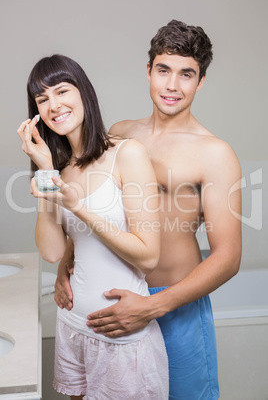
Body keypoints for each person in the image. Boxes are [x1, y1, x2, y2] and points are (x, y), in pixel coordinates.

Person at [55, 20, 242, 399]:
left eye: (186, 74)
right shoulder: (121, 134)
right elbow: (90, 207)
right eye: (164, 70)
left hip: (176, 305)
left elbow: (228, 257)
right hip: (117, 301)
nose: (172, 85)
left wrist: (152, 306)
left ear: (200, 81)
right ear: (148, 71)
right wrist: (66, 264)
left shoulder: (214, 153)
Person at [17, 54, 169, 400]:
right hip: (73, 328)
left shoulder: (127, 154)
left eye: (61, 91)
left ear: (83, 91)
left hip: (121, 339)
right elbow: (52, 250)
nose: (53, 105)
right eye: (42, 99)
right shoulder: (60, 168)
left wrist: (79, 208)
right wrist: (45, 172)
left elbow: (148, 258)